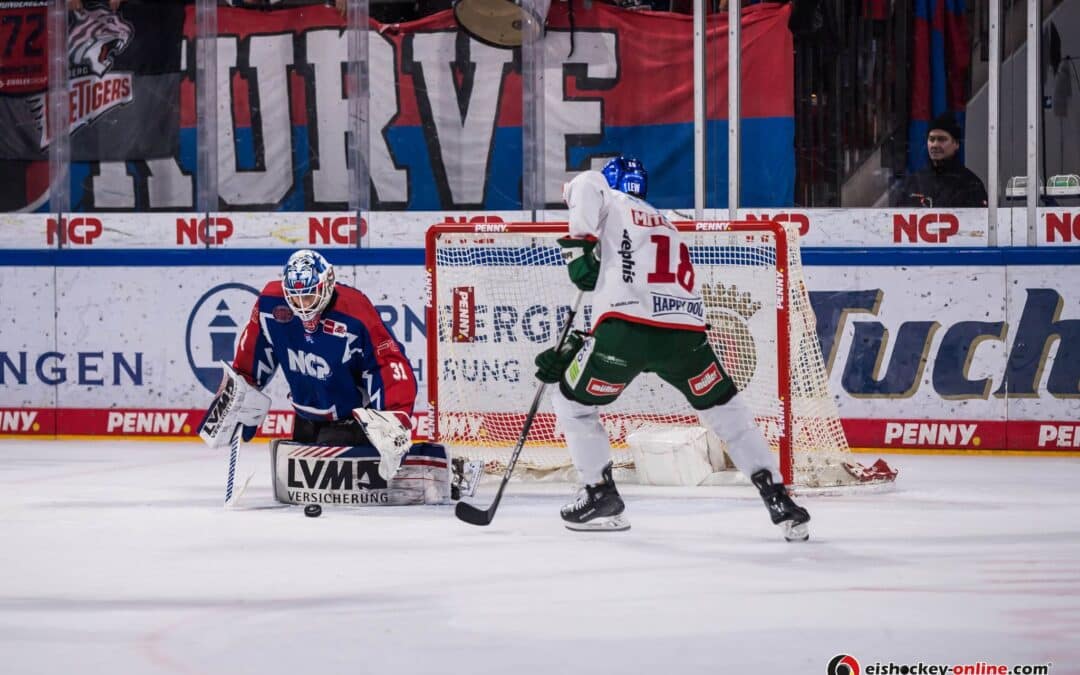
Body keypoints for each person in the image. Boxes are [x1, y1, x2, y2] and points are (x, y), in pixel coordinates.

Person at [534, 156, 811, 541]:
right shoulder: (663, 223)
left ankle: (599, 493)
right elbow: (634, 287)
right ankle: (779, 498)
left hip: (626, 336)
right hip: (686, 338)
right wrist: (577, 348)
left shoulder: (608, 198)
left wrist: (579, 247)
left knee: (572, 403)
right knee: (727, 413)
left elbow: (585, 184)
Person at [202, 249, 418, 481]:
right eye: (295, 297)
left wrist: (394, 419)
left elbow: (387, 364)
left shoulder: (355, 312)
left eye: (309, 296)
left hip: (351, 422)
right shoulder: (271, 306)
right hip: (305, 419)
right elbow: (252, 354)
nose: (302, 305)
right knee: (300, 485)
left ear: (327, 284)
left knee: (327, 487)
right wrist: (239, 390)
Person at [893, 112, 989, 208]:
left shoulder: (970, 184)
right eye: (931, 139)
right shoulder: (913, 182)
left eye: (942, 139)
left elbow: (980, 220)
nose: (935, 145)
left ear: (956, 144)